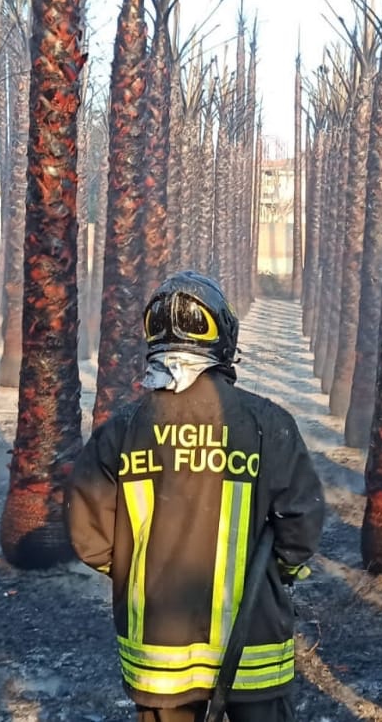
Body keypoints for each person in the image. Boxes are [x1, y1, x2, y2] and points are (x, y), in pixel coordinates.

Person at [66, 271, 326, 722]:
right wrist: (276, 575)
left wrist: (134, 569)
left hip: (158, 650)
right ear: (224, 337)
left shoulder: (121, 431)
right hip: (253, 644)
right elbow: (301, 527)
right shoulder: (269, 424)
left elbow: (87, 533)